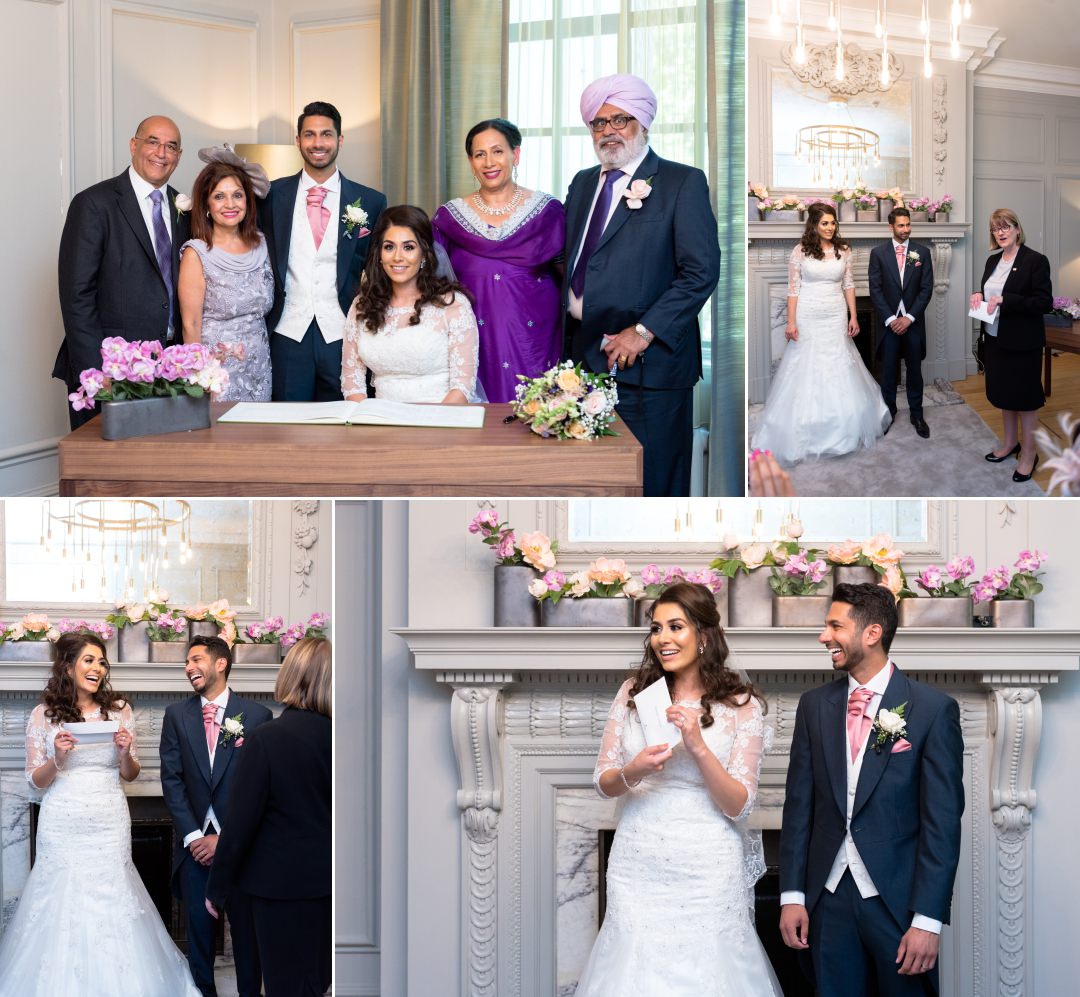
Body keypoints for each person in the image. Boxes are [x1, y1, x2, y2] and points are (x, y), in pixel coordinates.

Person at [574, 582, 782, 996]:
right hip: (639, 859)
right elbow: (603, 781)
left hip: (708, 865)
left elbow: (739, 805)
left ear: (704, 636)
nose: (663, 639)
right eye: (656, 629)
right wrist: (634, 769)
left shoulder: (742, 705)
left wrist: (698, 746)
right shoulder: (633, 693)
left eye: (676, 627)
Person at [779, 583, 964, 997]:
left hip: (898, 906)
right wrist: (792, 895)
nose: (824, 636)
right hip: (827, 901)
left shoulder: (933, 710)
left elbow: (942, 827)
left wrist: (927, 921)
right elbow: (799, 810)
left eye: (834, 626)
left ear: (872, 633)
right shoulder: (813, 706)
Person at [0, 633, 200, 995]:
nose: (97, 668)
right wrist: (57, 760)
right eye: (89, 660)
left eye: (102, 661)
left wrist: (125, 752)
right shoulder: (43, 715)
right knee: (60, 898)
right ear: (67, 665)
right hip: (62, 820)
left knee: (113, 894)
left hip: (108, 818)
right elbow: (35, 782)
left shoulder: (119, 709)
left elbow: (130, 773)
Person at [563, 74, 721, 497]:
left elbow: (700, 272)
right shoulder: (581, 183)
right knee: (596, 482)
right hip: (584, 362)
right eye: (599, 123)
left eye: (621, 119)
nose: (609, 131)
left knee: (655, 482)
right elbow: (574, 261)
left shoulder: (681, 181)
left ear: (643, 124)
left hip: (651, 367)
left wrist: (643, 332)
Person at [206, 637, 332, 997]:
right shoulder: (344, 738)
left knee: (285, 987)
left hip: (278, 892)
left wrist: (216, 888)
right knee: (315, 983)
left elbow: (241, 824)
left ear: (289, 676)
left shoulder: (267, 739)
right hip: (330, 888)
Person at [55, 115, 188, 429]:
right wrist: (97, 374)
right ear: (134, 145)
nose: (162, 153)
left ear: (178, 157)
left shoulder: (183, 207)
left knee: (156, 472)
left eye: (171, 146)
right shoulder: (94, 204)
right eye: (153, 142)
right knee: (104, 475)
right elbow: (77, 297)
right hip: (107, 373)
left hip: (168, 371)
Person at [159, 636, 273, 997]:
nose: (188, 667)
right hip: (195, 847)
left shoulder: (257, 716)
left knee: (245, 934)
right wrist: (194, 837)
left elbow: (260, 788)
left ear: (220, 663)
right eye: (186, 662)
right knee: (199, 934)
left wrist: (225, 838)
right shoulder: (176, 715)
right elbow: (171, 780)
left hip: (239, 845)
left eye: (195, 659)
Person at [432, 118, 565, 402]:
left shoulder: (547, 211)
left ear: (515, 155)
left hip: (533, 339)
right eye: (480, 154)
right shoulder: (449, 218)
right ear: (471, 161)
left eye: (497, 151)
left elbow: (569, 277)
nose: (489, 162)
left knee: (538, 419)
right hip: (473, 339)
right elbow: (434, 283)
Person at [261, 100, 387, 401]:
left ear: (340, 140)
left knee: (344, 427)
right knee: (288, 428)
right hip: (287, 333)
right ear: (298, 140)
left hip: (343, 331)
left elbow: (378, 270)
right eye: (310, 135)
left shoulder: (371, 201)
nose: (318, 143)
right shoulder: (269, 196)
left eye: (327, 134)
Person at [751, 203, 890, 463]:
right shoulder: (800, 251)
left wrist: (853, 315)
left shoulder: (844, 250)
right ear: (814, 225)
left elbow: (849, 285)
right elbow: (793, 289)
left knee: (838, 361)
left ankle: (842, 426)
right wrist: (791, 322)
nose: (830, 227)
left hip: (835, 312)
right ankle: (807, 428)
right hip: (808, 313)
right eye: (825, 223)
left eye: (833, 222)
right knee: (806, 364)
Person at [341, 204, 480, 403]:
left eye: (408, 247)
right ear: (379, 254)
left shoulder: (453, 305)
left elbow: (462, 388)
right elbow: (351, 381)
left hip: (440, 422)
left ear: (424, 253)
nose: (398, 257)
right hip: (379, 423)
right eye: (389, 247)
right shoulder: (362, 305)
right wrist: (367, 421)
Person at [178, 148, 274, 400]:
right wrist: (199, 379)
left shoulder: (262, 244)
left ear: (247, 201)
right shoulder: (196, 253)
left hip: (260, 369)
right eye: (219, 196)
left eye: (237, 195)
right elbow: (191, 325)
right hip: (217, 373)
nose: (230, 204)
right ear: (206, 204)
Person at [971, 208, 1053, 483]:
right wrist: (979, 294)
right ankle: (1009, 444)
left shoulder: (1035, 261)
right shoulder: (992, 260)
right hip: (995, 339)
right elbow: (991, 294)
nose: (1001, 232)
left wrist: (1009, 301)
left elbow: (1044, 303)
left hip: (1023, 342)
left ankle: (1029, 454)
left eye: (1006, 226)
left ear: (1017, 229)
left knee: (1026, 401)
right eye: (996, 228)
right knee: (1005, 396)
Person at [868, 206, 935, 438]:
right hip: (889, 325)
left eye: (908, 225)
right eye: (901, 225)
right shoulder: (878, 253)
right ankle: (888, 413)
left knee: (915, 371)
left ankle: (917, 414)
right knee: (888, 371)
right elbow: (875, 290)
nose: (906, 229)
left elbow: (926, 289)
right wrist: (890, 319)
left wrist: (908, 318)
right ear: (891, 227)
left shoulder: (922, 253)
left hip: (913, 323)